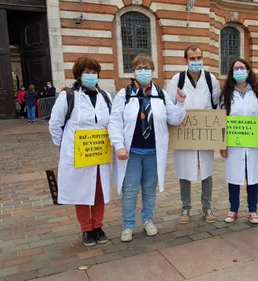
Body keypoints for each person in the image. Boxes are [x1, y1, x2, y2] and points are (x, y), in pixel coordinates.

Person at [108, 54, 186, 242]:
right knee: (130, 189)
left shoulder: (160, 93)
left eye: (147, 68)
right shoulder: (124, 94)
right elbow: (114, 122)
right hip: (132, 152)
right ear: (133, 72)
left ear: (152, 71)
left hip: (153, 152)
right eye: (140, 68)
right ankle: (128, 225)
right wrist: (119, 145)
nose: (144, 71)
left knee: (149, 188)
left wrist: (181, 102)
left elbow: (174, 119)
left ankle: (148, 220)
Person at [49, 56, 113, 247]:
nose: (91, 75)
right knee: (82, 192)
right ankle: (86, 228)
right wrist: (68, 147)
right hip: (79, 154)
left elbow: (112, 123)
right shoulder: (67, 96)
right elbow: (55, 125)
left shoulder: (106, 97)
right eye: (87, 72)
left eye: (94, 72)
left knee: (99, 191)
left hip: (100, 153)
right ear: (79, 75)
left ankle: (98, 225)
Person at [166, 45, 221, 224]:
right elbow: (170, 105)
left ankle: (207, 207)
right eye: (192, 58)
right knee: (184, 171)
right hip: (184, 131)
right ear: (186, 60)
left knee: (207, 172)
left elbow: (217, 104)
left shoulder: (210, 78)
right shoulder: (177, 79)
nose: (196, 61)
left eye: (199, 58)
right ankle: (185, 208)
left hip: (205, 132)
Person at [219, 59, 258, 224]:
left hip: (254, 142)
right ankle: (233, 209)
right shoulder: (226, 93)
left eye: (242, 68)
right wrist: (221, 142)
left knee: (252, 176)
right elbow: (221, 119)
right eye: (236, 68)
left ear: (248, 70)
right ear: (231, 72)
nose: (239, 71)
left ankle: (253, 210)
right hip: (234, 142)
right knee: (234, 176)